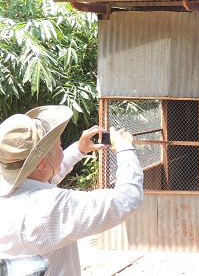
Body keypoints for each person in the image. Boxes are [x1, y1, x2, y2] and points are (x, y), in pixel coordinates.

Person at [0, 105, 144, 276]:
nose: (62, 149)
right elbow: (126, 199)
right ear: (42, 163)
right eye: (60, 146)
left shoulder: (9, 189)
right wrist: (125, 148)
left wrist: (79, 150)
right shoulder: (49, 206)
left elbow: (44, 176)